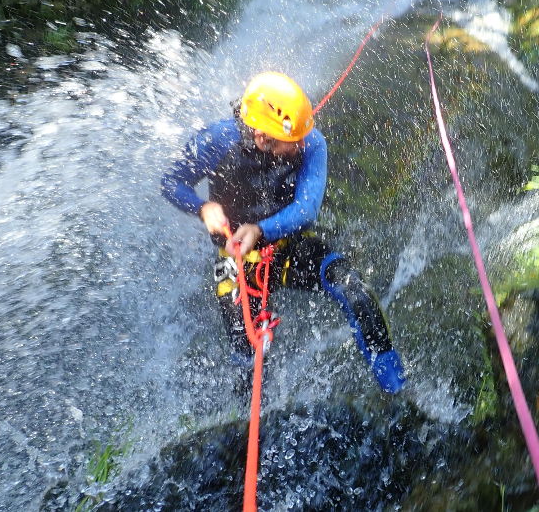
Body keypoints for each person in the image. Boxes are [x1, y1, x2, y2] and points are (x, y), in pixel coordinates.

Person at [161, 71, 405, 393]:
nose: (303, 144)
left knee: (355, 291)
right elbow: (171, 181)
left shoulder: (313, 143)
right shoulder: (216, 142)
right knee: (247, 356)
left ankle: (396, 390)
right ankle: (246, 420)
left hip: (288, 245)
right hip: (236, 259)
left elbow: (307, 210)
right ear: (263, 138)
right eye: (294, 142)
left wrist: (261, 229)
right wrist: (202, 208)